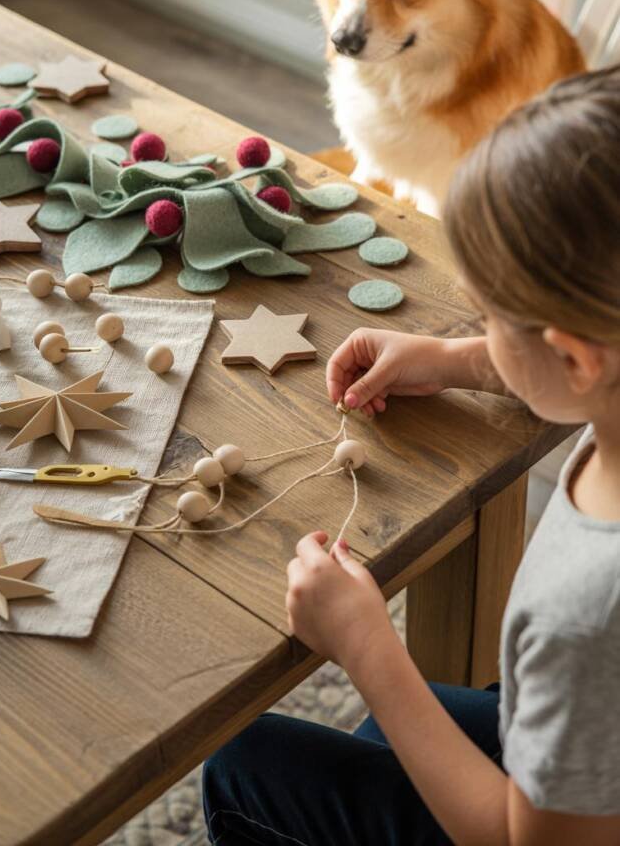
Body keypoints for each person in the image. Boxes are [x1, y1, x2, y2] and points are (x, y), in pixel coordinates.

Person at [203, 66, 620, 845]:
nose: (479, 330)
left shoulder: (585, 624)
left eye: (487, 317)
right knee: (388, 734)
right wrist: (459, 359)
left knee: (245, 766)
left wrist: (365, 646)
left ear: (573, 358)